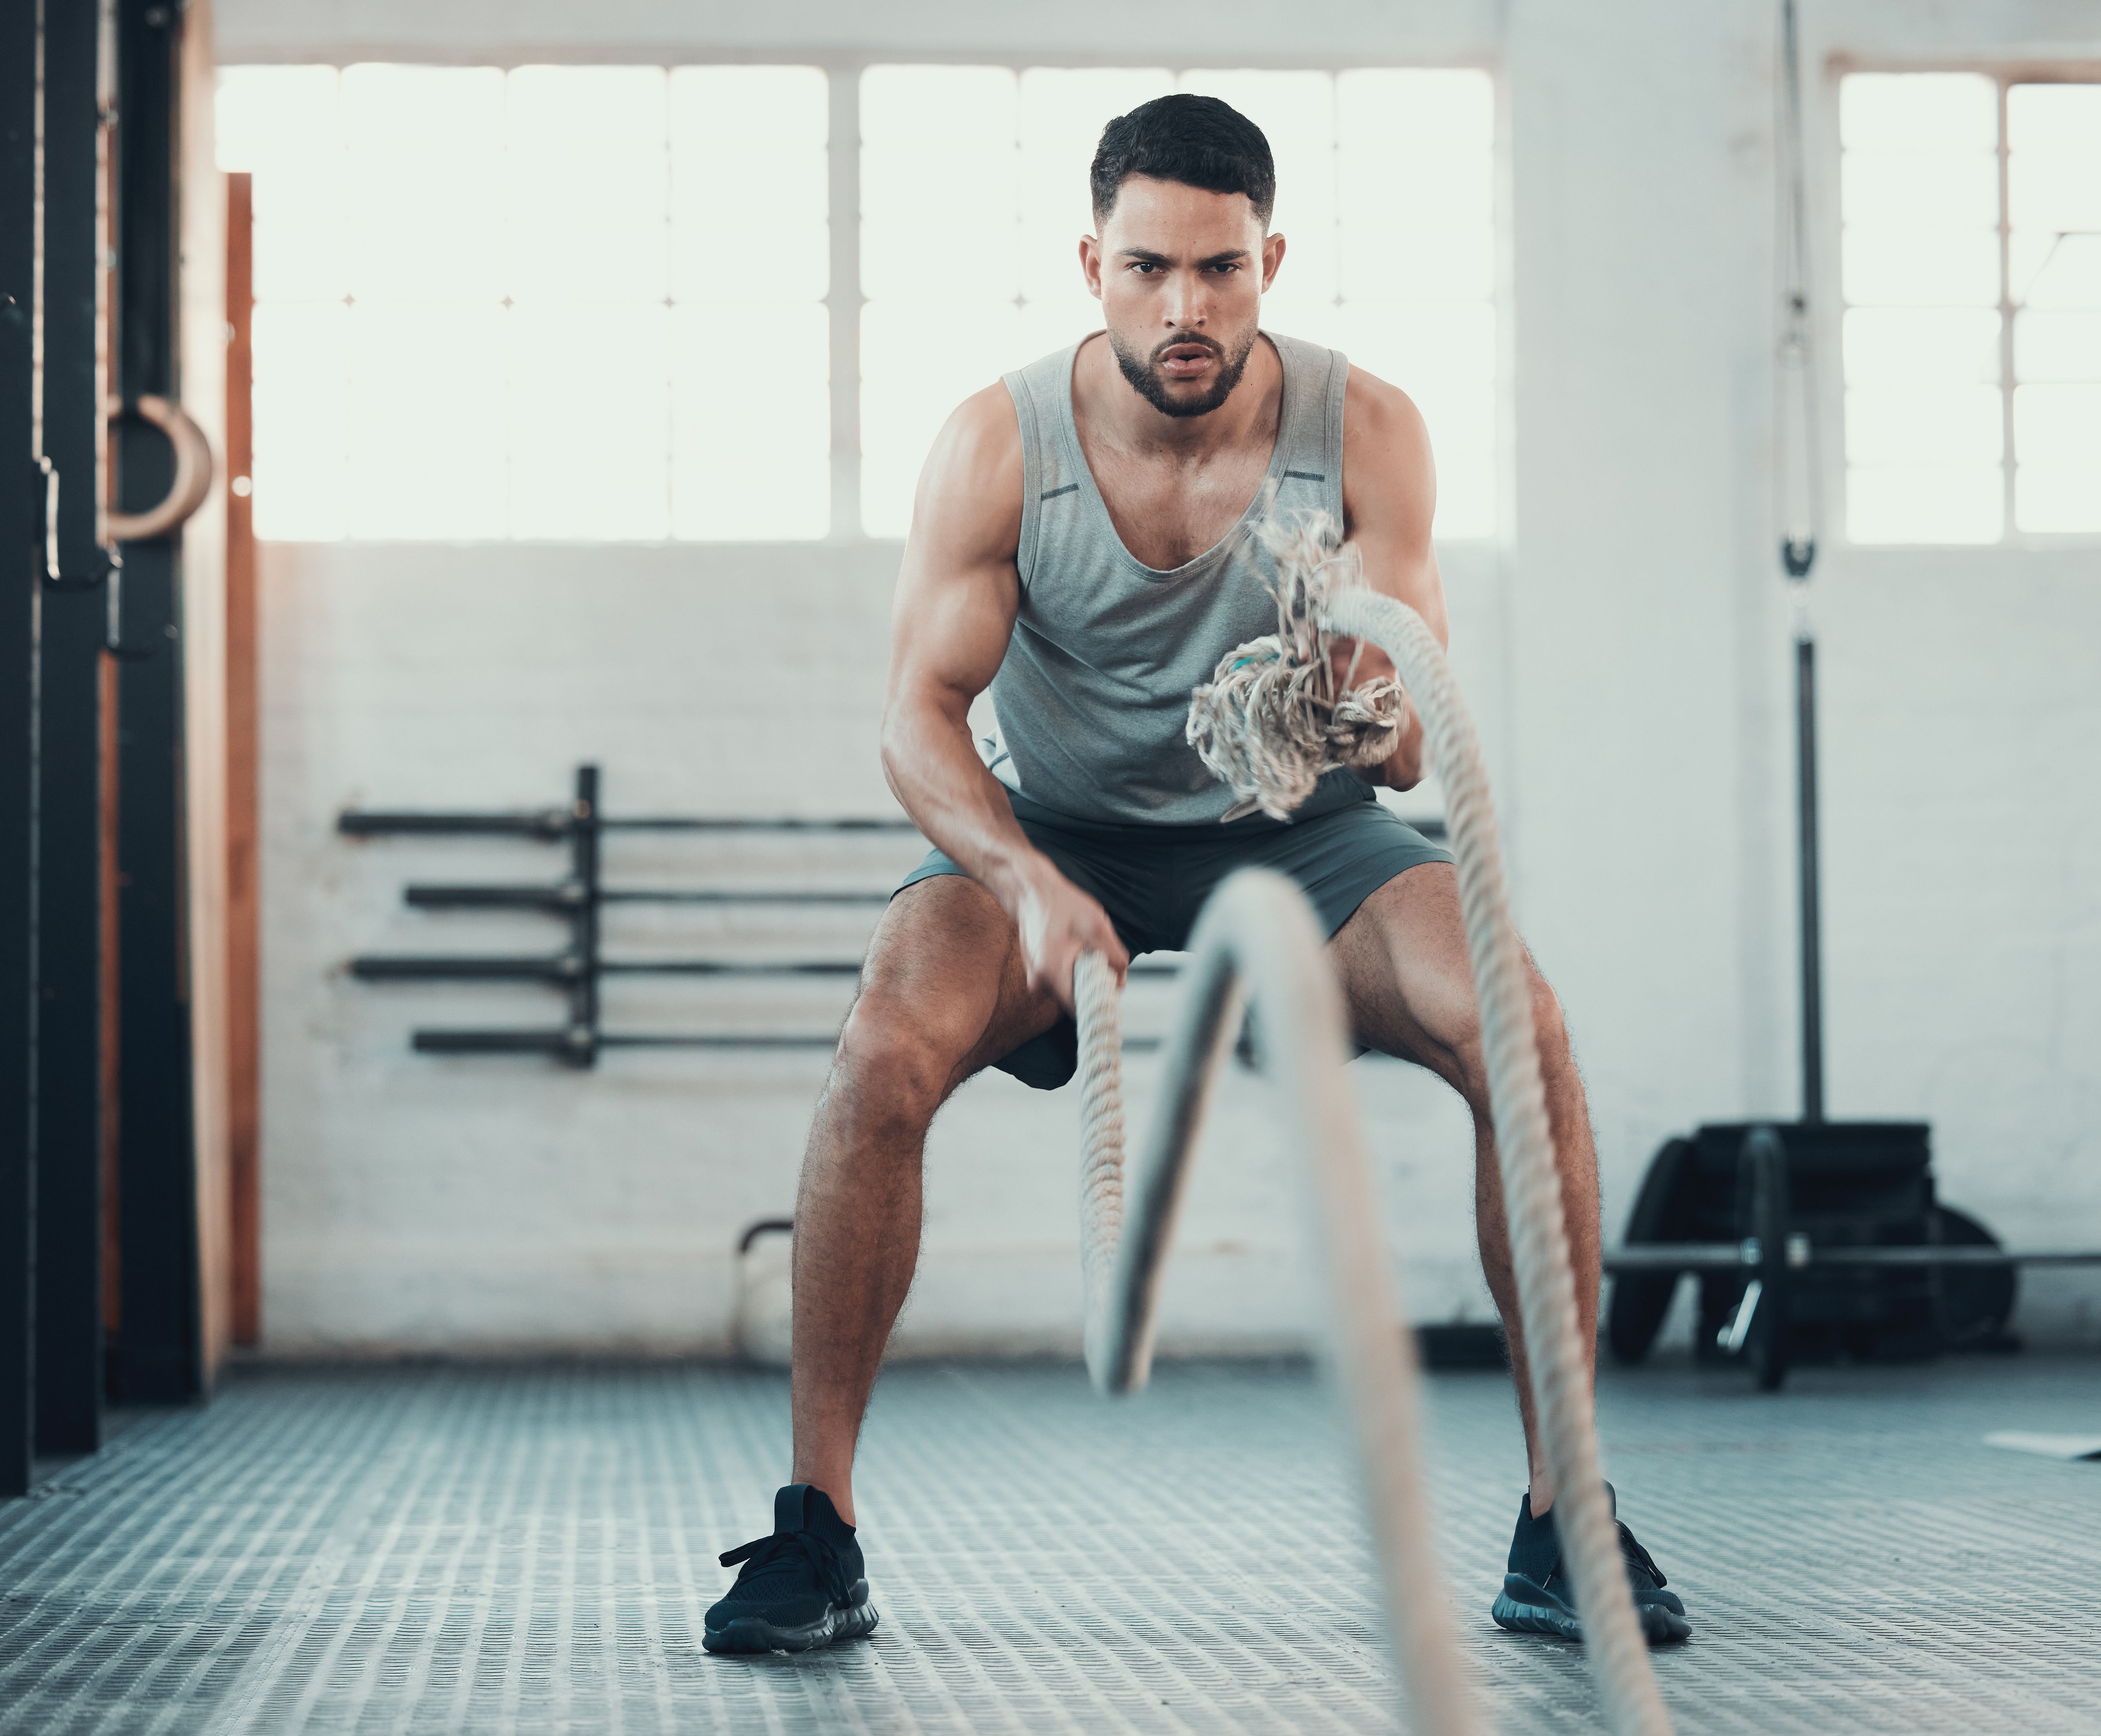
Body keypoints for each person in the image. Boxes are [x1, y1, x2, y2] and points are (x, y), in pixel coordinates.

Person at [702, 92, 1688, 1656]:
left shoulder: (1364, 432)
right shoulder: (994, 446)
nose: (1185, 307)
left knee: (1527, 1032)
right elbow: (912, 720)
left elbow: (1409, 744)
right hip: (1063, 832)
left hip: (1294, 834)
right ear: (1091, 261)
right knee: (880, 1051)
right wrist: (1021, 881)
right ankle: (814, 1531)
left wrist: (1362, 717)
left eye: (1220, 269)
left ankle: (1563, 1515)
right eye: (1149, 267)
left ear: (1269, 260)